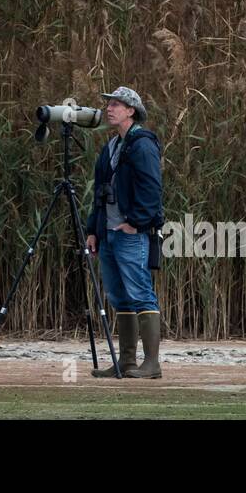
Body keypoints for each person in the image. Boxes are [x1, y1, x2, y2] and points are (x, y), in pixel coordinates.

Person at [85, 86, 164, 378]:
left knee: (141, 293)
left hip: (131, 234)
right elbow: (99, 193)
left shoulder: (142, 144)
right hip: (108, 233)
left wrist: (136, 223)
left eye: (116, 104)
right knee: (119, 297)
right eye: (109, 104)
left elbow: (152, 189)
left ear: (131, 110)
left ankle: (152, 363)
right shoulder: (111, 146)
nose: (109, 108)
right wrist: (93, 229)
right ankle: (127, 361)